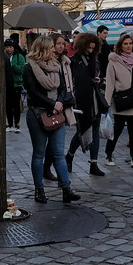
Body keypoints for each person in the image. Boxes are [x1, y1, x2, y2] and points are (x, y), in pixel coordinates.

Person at [24, 34, 81, 204]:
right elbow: (32, 92)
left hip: (56, 112)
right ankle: (39, 190)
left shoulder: (56, 66)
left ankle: (66, 188)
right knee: (39, 153)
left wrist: (60, 102)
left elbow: (63, 87)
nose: (54, 50)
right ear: (43, 49)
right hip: (37, 114)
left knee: (58, 152)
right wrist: (51, 103)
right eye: (50, 48)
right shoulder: (30, 67)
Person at [104, 33, 133, 168]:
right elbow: (110, 84)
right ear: (120, 45)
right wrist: (106, 102)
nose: (128, 46)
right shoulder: (113, 62)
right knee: (117, 130)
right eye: (125, 43)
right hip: (121, 100)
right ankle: (108, 153)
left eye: (130, 43)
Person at [65, 33, 106, 177]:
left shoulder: (95, 60)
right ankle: (69, 155)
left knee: (94, 131)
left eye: (93, 48)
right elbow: (73, 81)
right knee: (82, 130)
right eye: (88, 48)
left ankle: (93, 163)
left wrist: (98, 80)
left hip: (94, 99)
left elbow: (99, 75)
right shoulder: (74, 61)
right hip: (81, 100)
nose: (90, 51)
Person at [5, 41, 26, 133]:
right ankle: (9, 123)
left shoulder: (19, 57)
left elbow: (21, 70)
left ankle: (17, 123)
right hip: (6, 84)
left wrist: (13, 66)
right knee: (8, 105)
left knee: (16, 105)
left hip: (16, 84)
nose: (8, 49)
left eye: (10, 47)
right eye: (7, 47)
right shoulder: (4, 56)